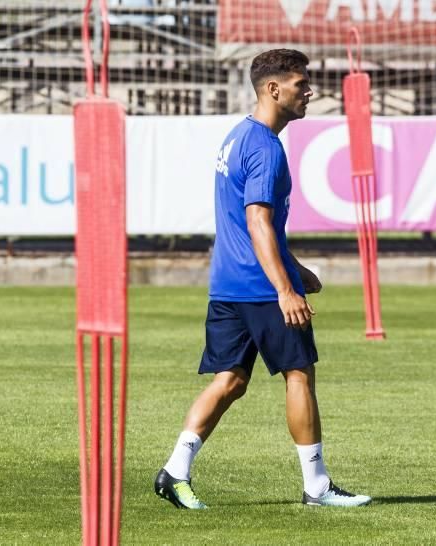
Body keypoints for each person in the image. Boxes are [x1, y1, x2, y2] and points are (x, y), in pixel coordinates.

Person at [154, 49, 371, 509]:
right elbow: (257, 222)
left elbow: (250, 223)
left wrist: (294, 268)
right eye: (300, 84)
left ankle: (174, 471)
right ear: (274, 89)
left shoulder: (238, 137)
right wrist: (285, 288)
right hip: (261, 288)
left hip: (229, 283)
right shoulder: (266, 147)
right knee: (299, 375)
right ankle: (317, 487)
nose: (309, 91)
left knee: (230, 381)